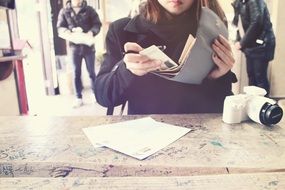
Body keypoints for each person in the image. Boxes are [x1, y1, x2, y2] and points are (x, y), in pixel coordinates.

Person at [95, 0, 236, 115]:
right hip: (143, 139)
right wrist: (126, 71)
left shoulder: (211, 32)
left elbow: (221, 109)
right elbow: (104, 96)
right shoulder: (122, 31)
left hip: (197, 139)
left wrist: (216, 78)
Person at [57, 0, 101, 107]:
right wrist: (66, 31)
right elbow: (60, 27)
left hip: (89, 46)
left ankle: (95, 94)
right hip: (74, 48)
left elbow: (97, 24)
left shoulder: (90, 10)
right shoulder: (64, 11)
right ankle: (78, 97)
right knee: (76, 73)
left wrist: (91, 32)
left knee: (91, 73)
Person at [232, 0, 275, 96]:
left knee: (259, 78)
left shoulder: (253, 1)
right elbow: (238, 23)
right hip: (252, 46)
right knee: (252, 76)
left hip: (261, 46)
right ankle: (254, 105)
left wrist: (242, 43)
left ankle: (263, 107)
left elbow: (256, 21)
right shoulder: (241, 2)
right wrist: (239, 40)